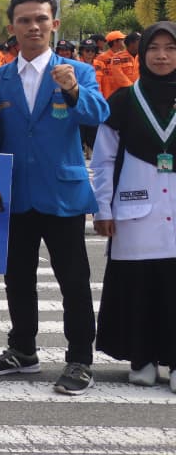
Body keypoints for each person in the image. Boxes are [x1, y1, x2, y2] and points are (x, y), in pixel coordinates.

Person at [0, 0, 107, 392]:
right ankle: (23, 350)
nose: (33, 26)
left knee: (73, 279)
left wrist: (73, 90)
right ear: (12, 27)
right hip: (15, 194)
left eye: (41, 19)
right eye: (24, 20)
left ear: (55, 24)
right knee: (17, 277)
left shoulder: (77, 71)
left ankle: (80, 359)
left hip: (62, 193)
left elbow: (99, 114)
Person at [90, 21, 176, 392]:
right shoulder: (123, 100)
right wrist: (103, 209)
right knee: (139, 286)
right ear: (141, 54)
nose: (161, 56)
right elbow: (104, 159)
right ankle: (141, 358)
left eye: (170, 49)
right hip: (135, 211)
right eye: (154, 48)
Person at [96, 30, 139, 100]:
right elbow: (101, 77)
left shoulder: (140, 56)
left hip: (131, 93)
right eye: (122, 40)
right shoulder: (102, 58)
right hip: (112, 92)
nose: (124, 42)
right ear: (115, 42)